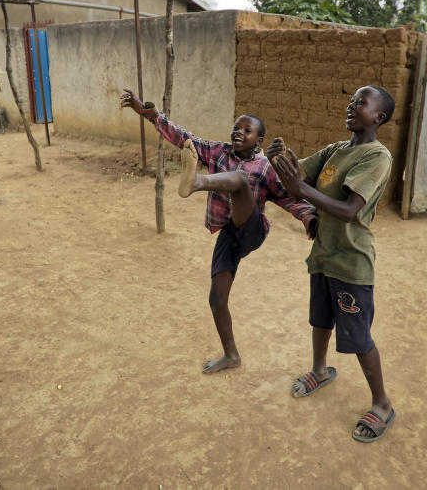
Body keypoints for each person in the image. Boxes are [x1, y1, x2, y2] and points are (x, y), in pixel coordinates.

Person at [120, 88, 317, 374]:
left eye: (246, 130)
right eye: (236, 127)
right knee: (216, 299)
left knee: (239, 179)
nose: (238, 132)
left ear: (259, 140)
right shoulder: (219, 151)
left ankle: (196, 182)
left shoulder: (264, 167)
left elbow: (288, 198)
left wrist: (308, 217)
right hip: (229, 233)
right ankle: (231, 355)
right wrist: (147, 113)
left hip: (252, 230)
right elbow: (181, 136)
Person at [266, 84, 397, 443]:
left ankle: (382, 404)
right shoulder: (337, 150)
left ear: (379, 116)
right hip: (323, 255)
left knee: (358, 336)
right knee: (320, 319)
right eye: (351, 99)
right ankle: (320, 370)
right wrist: (279, 160)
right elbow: (296, 178)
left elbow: (349, 209)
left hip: (351, 262)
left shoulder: (376, 156)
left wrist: (302, 190)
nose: (352, 105)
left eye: (362, 102)